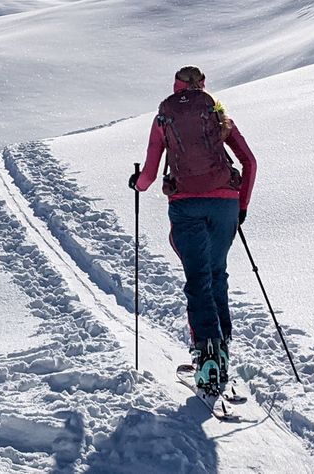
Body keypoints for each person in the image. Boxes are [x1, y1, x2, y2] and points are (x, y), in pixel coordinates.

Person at [128, 65, 257, 395]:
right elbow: (249, 163)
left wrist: (137, 184)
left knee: (198, 279)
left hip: (186, 204)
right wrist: (240, 206)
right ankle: (222, 351)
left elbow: (151, 173)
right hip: (225, 204)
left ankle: (207, 358)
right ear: (202, 85)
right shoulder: (216, 111)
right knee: (217, 274)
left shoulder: (164, 117)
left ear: (175, 87)